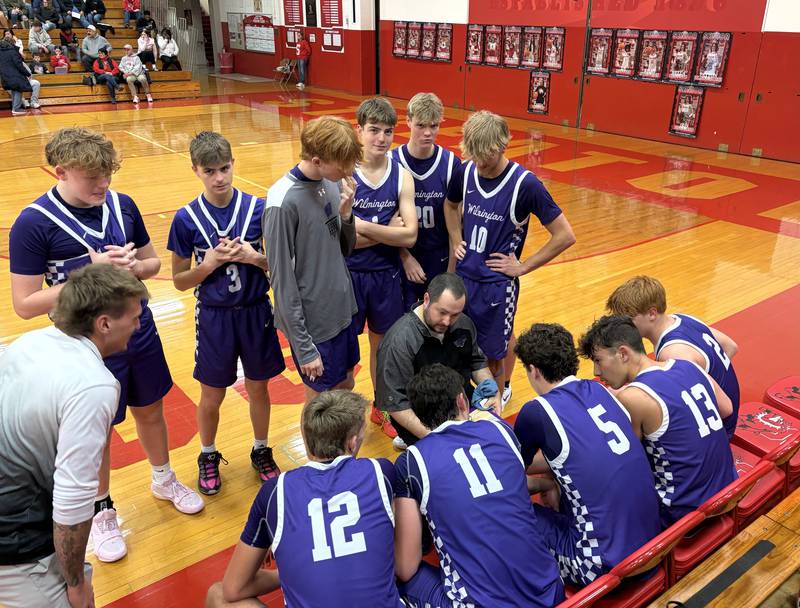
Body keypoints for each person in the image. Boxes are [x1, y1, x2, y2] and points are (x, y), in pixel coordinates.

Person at [8, 127, 203, 564]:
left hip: (138, 329)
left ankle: (163, 477)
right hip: (83, 346)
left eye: (107, 176)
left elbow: (153, 263)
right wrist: (86, 270)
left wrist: (137, 265)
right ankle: (101, 509)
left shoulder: (122, 204)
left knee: (152, 408)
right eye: (91, 177)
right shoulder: (33, 223)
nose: (102, 185)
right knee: (97, 429)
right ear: (60, 171)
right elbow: (23, 304)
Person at [0, 265, 148, 608]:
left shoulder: (30, 342)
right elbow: (71, 505)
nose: (139, 326)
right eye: (135, 317)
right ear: (105, 324)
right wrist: (76, 583)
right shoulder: (94, 385)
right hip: (19, 545)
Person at [205, 390, 404, 608]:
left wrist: (291, 570)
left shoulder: (274, 492)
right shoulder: (381, 471)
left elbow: (234, 589)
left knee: (218, 595)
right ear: (353, 443)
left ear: (307, 444)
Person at [168, 132, 286, 496]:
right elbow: (179, 281)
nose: (219, 177)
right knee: (212, 394)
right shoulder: (185, 219)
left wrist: (254, 257)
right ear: (195, 171)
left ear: (234, 163)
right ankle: (207, 453)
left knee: (259, 387)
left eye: (224, 168)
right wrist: (207, 266)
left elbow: (279, 265)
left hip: (255, 312)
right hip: (215, 317)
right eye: (210, 171)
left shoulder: (258, 208)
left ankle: (261, 448)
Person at [393, 364, 564, 607]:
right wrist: (545, 484)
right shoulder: (499, 428)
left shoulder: (411, 461)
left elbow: (406, 567)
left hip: (479, 603)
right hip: (549, 591)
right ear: (462, 401)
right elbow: (508, 483)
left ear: (419, 417)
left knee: (398, 578)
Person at [444, 110, 575, 410]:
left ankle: (496, 405)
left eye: (484, 156)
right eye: (473, 155)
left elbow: (565, 235)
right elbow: (450, 206)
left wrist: (523, 266)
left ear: (503, 145)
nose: (478, 163)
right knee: (459, 344)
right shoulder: (465, 172)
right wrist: (455, 239)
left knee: (494, 352)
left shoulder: (525, 185)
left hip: (496, 286)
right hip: (465, 278)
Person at [513, 323, 661, 586]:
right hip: (655, 544)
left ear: (533, 370)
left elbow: (511, 476)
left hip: (603, 567)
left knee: (511, 514)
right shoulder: (602, 391)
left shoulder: (536, 411)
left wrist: (545, 482)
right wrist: (552, 480)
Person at [578, 315, 737, 527]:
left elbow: (626, 465)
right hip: (730, 489)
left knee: (592, 487)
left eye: (598, 361)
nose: (596, 372)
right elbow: (727, 408)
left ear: (623, 353)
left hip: (684, 514)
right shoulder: (688, 367)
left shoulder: (633, 398)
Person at [263, 116, 362, 403]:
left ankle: (342, 450)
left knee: (346, 383)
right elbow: (281, 281)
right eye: (342, 164)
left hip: (341, 312)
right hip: (314, 324)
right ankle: (319, 452)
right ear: (317, 160)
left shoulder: (332, 183)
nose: (348, 170)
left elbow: (345, 249)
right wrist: (304, 347)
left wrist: (346, 216)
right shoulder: (282, 202)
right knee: (321, 404)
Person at [350, 97, 417, 438]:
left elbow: (410, 233)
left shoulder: (402, 176)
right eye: (373, 130)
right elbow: (340, 241)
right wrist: (386, 232)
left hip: (386, 276)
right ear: (358, 130)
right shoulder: (343, 174)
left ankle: (381, 406)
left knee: (383, 347)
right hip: (347, 276)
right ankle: (345, 417)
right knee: (346, 351)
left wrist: (362, 227)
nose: (381, 138)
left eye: (388, 131)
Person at [376, 272, 500, 450]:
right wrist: (436, 437)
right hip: (423, 417)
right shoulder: (399, 342)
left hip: (462, 405)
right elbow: (395, 403)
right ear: (426, 299)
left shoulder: (463, 324)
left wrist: (491, 390)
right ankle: (411, 442)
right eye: (442, 312)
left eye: (455, 314)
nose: (447, 321)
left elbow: (477, 362)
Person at [606, 275, 740, 439]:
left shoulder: (673, 352)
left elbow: (675, 398)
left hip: (720, 428)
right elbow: (731, 346)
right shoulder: (683, 318)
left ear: (652, 314)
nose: (623, 326)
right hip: (726, 410)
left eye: (629, 320)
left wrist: (622, 393)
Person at [390, 92, 458, 311]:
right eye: (420, 125)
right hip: (402, 257)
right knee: (403, 324)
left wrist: (451, 271)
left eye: (434, 125)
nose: (428, 132)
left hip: (439, 256)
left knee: (439, 323)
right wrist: (404, 256)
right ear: (408, 121)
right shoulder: (392, 162)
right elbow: (386, 220)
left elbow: (456, 225)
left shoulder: (451, 164)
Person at [0, 36, 39, 115]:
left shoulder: (1, 52)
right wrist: (27, 74)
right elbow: (19, 65)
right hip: (14, 75)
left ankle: (14, 108)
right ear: (12, 43)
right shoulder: (12, 51)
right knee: (18, 89)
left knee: (14, 90)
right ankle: (16, 109)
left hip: (5, 76)